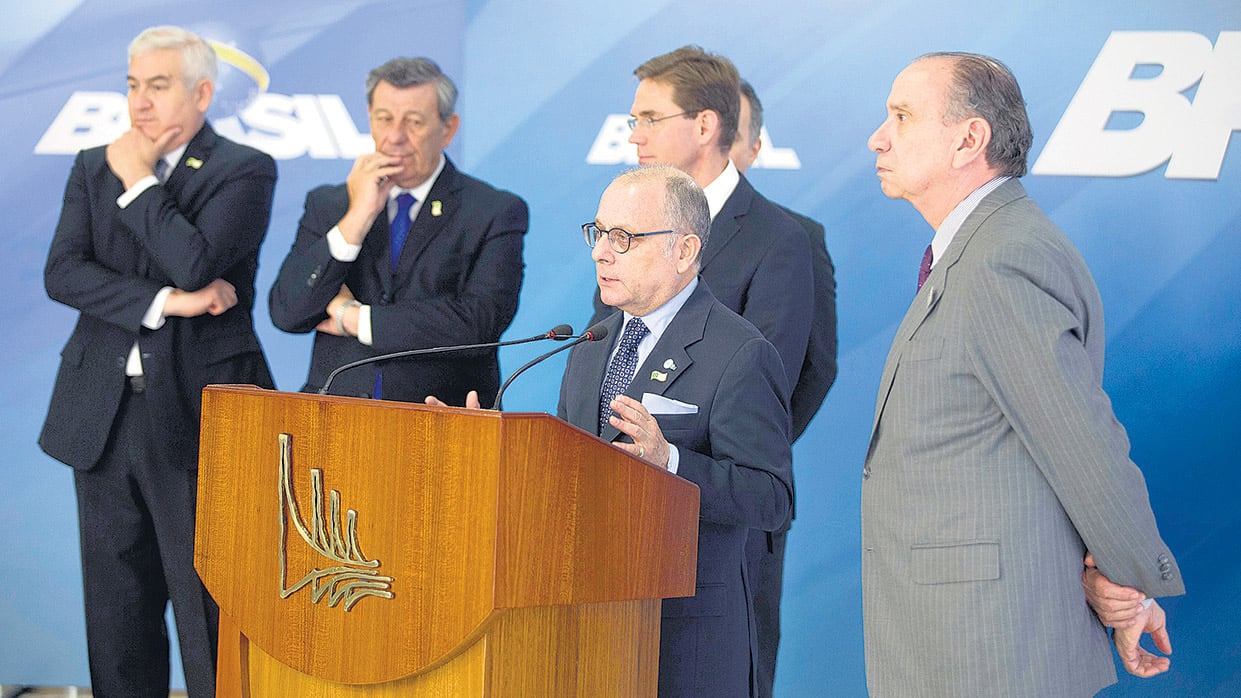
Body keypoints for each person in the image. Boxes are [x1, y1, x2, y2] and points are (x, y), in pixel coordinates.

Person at [862, 51, 1184, 697]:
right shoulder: (985, 247)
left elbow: (1079, 441)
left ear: (968, 139)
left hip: (986, 641)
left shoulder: (1000, 260)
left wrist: (1129, 585)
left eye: (900, 114)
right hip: (965, 630)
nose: (878, 136)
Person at [434, 165, 793, 697]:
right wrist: (496, 447)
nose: (602, 252)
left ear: (684, 250)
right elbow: (572, 466)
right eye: (598, 234)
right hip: (586, 625)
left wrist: (670, 462)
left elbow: (771, 500)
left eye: (623, 238)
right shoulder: (594, 339)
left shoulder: (739, 352)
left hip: (680, 633)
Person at [39, 25, 276, 697]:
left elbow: (198, 258)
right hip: (103, 417)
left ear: (202, 93)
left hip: (196, 416)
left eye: (159, 85)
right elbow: (64, 274)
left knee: (205, 603)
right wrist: (168, 302)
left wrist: (140, 182)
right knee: (117, 611)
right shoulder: (91, 163)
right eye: (133, 85)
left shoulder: (244, 168)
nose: (140, 102)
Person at [269, 57, 527, 405]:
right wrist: (356, 219)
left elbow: (478, 323)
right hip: (334, 417)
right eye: (384, 119)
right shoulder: (330, 204)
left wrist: (355, 318)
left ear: (448, 129)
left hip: (441, 419)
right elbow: (289, 313)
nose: (394, 137)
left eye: (414, 122)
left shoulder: (493, 210)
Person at [729, 77, 839, 698]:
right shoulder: (634, 230)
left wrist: (749, 449)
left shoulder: (792, 236)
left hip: (738, 502)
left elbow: (814, 367)